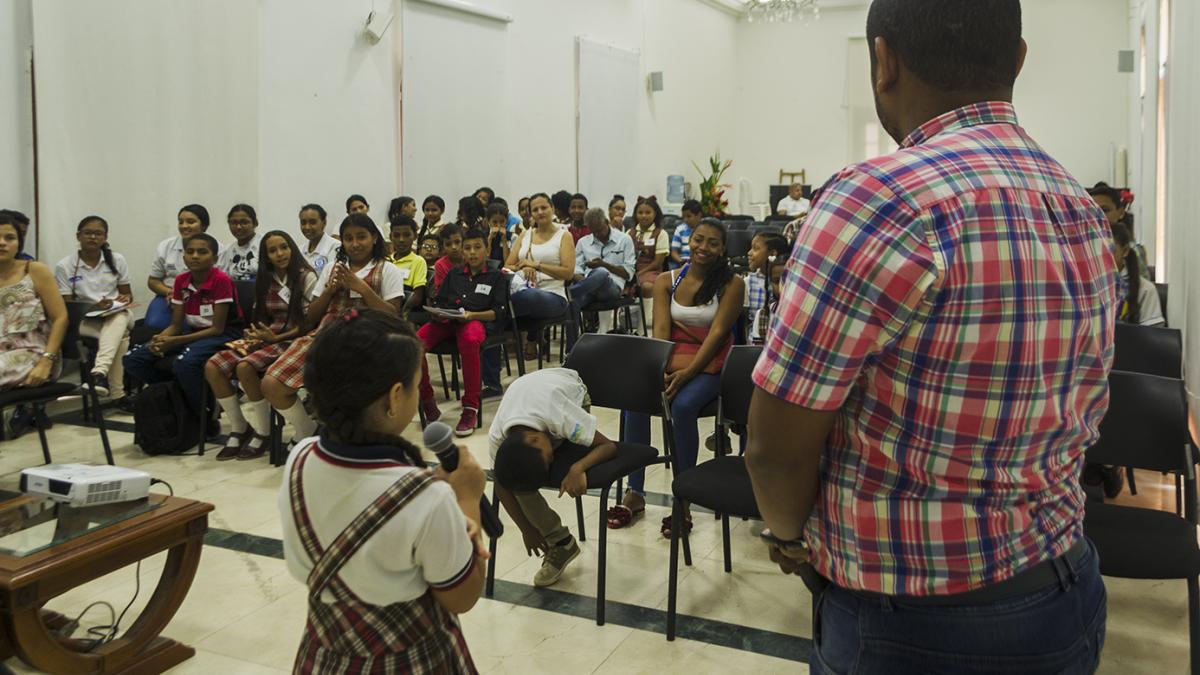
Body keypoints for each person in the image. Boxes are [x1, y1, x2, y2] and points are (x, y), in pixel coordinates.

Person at [745, 3, 1118, 673]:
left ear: (884, 61)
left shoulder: (879, 198)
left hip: (917, 622)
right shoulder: (1079, 205)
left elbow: (774, 447)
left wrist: (791, 538)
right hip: (1066, 585)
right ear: (1020, 60)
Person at [279, 309, 486, 673]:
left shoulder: (299, 459)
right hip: (408, 660)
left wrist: (430, 491)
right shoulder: (427, 498)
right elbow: (462, 596)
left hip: (324, 654)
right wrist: (466, 499)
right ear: (394, 398)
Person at [609, 220, 742, 533]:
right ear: (689, 241)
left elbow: (719, 332)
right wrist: (663, 371)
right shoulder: (666, 280)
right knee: (636, 402)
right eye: (698, 240)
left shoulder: (732, 284)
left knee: (682, 407)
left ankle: (683, 498)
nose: (703, 248)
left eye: (712, 243)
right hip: (672, 357)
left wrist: (688, 373)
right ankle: (635, 492)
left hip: (712, 363)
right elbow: (661, 334)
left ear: (722, 249)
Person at [262, 214, 405, 446]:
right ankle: (307, 430)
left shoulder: (387, 269)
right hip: (326, 335)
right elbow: (311, 317)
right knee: (271, 384)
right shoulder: (331, 268)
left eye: (361, 237)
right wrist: (329, 291)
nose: (355, 243)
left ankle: (345, 434)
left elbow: (393, 316)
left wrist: (362, 288)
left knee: (344, 392)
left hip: (368, 340)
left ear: (375, 239)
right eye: (348, 238)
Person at [491, 367, 618, 587]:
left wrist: (577, 468)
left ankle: (558, 541)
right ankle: (561, 542)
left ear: (532, 440)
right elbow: (502, 487)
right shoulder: (498, 438)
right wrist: (527, 530)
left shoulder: (559, 414)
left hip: (570, 391)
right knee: (517, 479)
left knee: (523, 475)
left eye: (549, 458)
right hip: (531, 396)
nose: (553, 461)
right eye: (551, 458)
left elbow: (608, 446)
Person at [206, 231, 317, 461]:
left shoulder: (306, 277)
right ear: (266, 256)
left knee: (245, 367)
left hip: (292, 337)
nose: (280, 254)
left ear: (292, 248)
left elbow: (308, 324)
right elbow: (261, 317)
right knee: (213, 366)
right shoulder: (265, 279)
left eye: (284, 247)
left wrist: (275, 338)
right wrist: (254, 332)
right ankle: (240, 427)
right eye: (273, 250)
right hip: (269, 335)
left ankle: (264, 431)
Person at [124, 233, 243, 414]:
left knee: (185, 364)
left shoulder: (221, 280)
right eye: (190, 251)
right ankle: (177, 395)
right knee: (133, 358)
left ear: (215, 258)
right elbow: (176, 326)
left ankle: (204, 412)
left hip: (223, 335)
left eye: (202, 252)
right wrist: (161, 339)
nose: (194, 256)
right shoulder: (181, 280)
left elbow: (216, 329)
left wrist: (174, 342)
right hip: (194, 334)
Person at [417, 228, 507, 436]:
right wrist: (438, 313)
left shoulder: (496, 276)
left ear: (486, 250)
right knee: (415, 343)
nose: (472, 252)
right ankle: (428, 400)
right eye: (467, 248)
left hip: (474, 320)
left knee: (470, 339)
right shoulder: (453, 274)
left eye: (477, 247)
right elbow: (440, 301)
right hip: (447, 321)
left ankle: (470, 407)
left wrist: (473, 316)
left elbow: (498, 312)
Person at [54, 215, 133, 407]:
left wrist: (122, 300)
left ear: (105, 237)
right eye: (88, 233)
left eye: (98, 233)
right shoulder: (65, 266)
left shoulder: (117, 259)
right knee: (121, 337)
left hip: (117, 313)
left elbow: (127, 295)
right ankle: (117, 394)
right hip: (84, 320)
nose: (93, 237)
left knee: (121, 317)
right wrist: (93, 307)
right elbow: (67, 305)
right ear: (78, 236)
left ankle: (99, 372)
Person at [0, 214, 67, 391]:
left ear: (19, 243)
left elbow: (60, 318)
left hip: (35, 354)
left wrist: (47, 360)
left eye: (10, 238)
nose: (2, 243)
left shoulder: (34, 270)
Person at [506, 193, 577, 359]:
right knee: (501, 305)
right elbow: (508, 265)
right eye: (535, 209)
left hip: (553, 295)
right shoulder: (525, 235)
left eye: (544, 207)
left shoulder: (564, 235)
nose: (540, 212)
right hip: (523, 289)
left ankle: (502, 319)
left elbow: (568, 272)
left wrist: (536, 265)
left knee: (525, 298)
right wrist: (522, 267)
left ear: (552, 209)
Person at [570, 207, 635, 333]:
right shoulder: (583, 242)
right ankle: (571, 350)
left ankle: (571, 292)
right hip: (588, 289)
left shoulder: (624, 240)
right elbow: (576, 271)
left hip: (612, 289)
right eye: (594, 232)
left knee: (601, 273)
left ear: (606, 221)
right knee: (572, 305)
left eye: (600, 230)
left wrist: (605, 265)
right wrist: (588, 283)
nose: (598, 234)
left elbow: (628, 274)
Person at [146, 204, 209, 330]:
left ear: (203, 226)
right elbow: (153, 281)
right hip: (168, 295)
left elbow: (220, 282)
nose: (184, 226)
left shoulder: (216, 248)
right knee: (153, 324)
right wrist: (171, 293)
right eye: (181, 222)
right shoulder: (165, 246)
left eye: (190, 222)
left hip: (203, 297)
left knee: (193, 327)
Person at [1112, 223, 1163, 327]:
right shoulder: (1086, 288)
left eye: (1110, 250)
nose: (1102, 257)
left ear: (1125, 251)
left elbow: (1150, 337)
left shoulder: (1145, 289)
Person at [1089, 182, 1147, 270]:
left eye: (1105, 210)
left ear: (1120, 212)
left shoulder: (1135, 251)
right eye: (1091, 211)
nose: (1097, 217)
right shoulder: (1082, 247)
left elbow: (1140, 282)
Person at [389, 216, 429, 314]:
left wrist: (397, 308)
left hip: (403, 314)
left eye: (407, 235)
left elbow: (417, 297)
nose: (401, 240)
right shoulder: (386, 261)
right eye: (396, 235)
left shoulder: (418, 261)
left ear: (415, 236)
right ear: (390, 237)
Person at [631, 196, 669, 298]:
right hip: (631, 270)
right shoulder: (629, 233)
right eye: (640, 213)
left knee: (647, 287)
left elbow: (657, 263)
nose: (644, 216)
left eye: (648, 213)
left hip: (651, 271)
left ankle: (648, 314)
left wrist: (639, 274)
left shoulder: (661, 234)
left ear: (655, 214)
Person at [744, 231, 789, 317]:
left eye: (755, 248)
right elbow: (744, 321)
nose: (749, 253)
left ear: (772, 253)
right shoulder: (748, 282)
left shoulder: (786, 281)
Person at [217, 203, 262, 282]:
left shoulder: (264, 243)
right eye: (234, 223)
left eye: (244, 222)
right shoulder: (228, 250)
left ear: (255, 223)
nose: (238, 227)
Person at [298, 203, 339, 275]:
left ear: (324, 222)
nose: (307, 227)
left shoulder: (335, 246)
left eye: (312, 222)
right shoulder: (300, 250)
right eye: (303, 223)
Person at [432, 223, 465, 292]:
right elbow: (442, 292)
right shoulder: (440, 265)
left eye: (457, 242)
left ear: (463, 242)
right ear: (443, 247)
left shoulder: (471, 259)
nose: (454, 247)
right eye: (448, 244)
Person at [670, 200, 702, 269]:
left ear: (699, 215)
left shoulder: (705, 230)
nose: (685, 220)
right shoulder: (680, 229)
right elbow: (674, 253)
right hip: (683, 263)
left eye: (689, 216)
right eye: (683, 217)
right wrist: (682, 262)